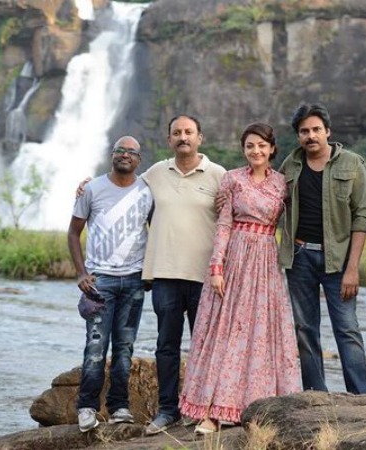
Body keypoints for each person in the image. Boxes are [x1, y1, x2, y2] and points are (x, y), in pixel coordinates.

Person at [179, 122, 301, 433]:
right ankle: (211, 412)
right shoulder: (232, 179)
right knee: (226, 334)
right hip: (235, 259)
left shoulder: (282, 183)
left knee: (260, 337)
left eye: (262, 145)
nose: (256, 151)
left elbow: (295, 218)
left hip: (265, 262)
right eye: (250, 146)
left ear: (272, 149)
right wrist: (217, 268)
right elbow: (223, 225)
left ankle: (257, 409)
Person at [279, 102, 366, 394]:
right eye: (304, 131)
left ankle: (361, 397)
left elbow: (363, 217)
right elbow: (267, 197)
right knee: (304, 329)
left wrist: (353, 269)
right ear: (298, 136)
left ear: (328, 131)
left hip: (339, 261)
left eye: (316, 129)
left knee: (347, 328)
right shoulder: (290, 166)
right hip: (299, 258)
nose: (311, 136)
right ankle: (315, 395)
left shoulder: (353, 164)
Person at [143, 115, 226, 434]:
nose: (183, 137)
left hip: (206, 277)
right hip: (164, 273)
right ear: (169, 140)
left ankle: (201, 409)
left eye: (189, 132)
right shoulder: (155, 174)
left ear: (200, 137)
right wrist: (87, 186)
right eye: (176, 133)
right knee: (166, 345)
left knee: (204, 347)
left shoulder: (219, 175)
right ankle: (168, 410)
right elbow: (124, 189)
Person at [68, 136, 153, 432]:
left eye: (132, 151)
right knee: (95, 347)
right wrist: (81, 273)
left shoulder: (148, 190)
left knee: (124, 348)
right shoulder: (92, 189)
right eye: (120, 150)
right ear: (112, 155)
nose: (125, 155)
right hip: (99, 283)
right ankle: (87, 407)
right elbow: (73, 232)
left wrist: (151, 272)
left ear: (139, 159)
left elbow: (159, 230)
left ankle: (119, 407)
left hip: (134, 281)